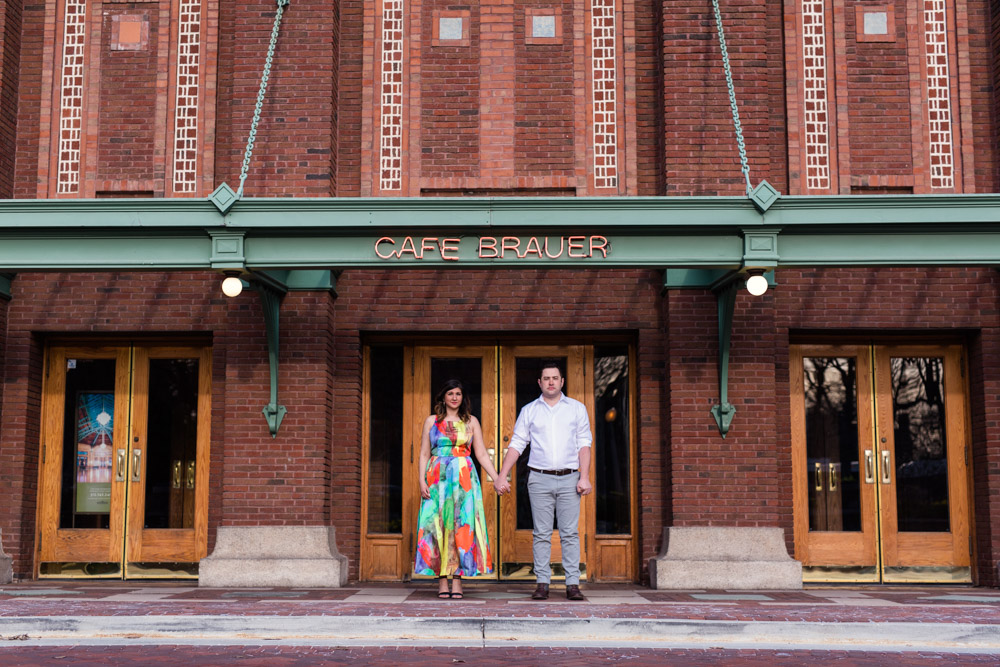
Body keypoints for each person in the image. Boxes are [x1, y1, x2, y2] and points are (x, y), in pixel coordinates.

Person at [495, 359, 592, 601]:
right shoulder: (529, 410)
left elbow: (584, 444)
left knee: (570, 533)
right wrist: (501, 475)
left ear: (562, 381)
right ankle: (542, 583)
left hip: (570, 478)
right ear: (540, 382)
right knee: (541, 533)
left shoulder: (576, 409)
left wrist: (585, 476)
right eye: (546, 378)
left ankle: (572, 584)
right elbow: (517, 444)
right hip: (539, 478)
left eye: (555, 378)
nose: (551, 382)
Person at [414, 378, 503, 599]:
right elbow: (424, 453)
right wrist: (421, 481)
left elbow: (481, 453)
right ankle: (442, 580)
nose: (455, 397)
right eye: (450, 393)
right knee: (438, 525)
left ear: (463, 398)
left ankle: (457, 581)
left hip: (464, 479)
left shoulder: (471, 421)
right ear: (443, 397)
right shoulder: (431, 421)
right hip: (437, 480)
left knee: (461, 527)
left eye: (458, 394)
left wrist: (498, 478)